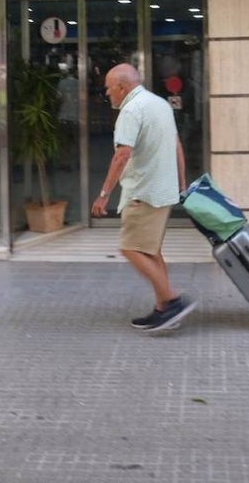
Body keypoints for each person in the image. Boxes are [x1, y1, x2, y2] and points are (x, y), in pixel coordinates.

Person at [91, 63, 196, 332]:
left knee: (130, 248)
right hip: (163, 191)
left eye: (108, 89)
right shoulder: (159, 104)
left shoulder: (131, 110)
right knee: (151, 251)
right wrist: (182, 184)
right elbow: (177, 145)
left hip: (143, 192)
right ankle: (163, 309)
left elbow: (122, 155)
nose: (107, 94)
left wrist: (104, 194)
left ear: (121, 87)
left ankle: (172, 300)